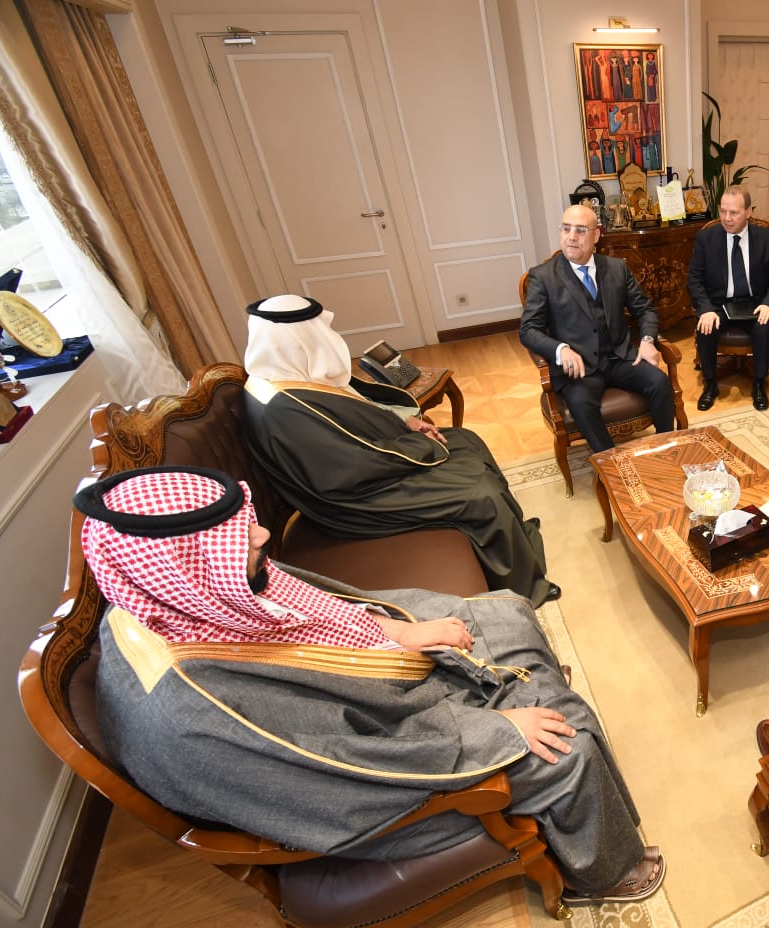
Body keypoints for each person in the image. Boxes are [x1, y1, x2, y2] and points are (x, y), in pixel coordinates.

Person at [75, 466, 665, 906]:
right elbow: (339, 771)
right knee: (569, 745)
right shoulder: (192, 718)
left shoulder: (176, 595)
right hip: (378, 776)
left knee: (505, 611)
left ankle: (528, 688)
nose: (259, 535)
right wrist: (497, 730)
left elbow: (311, 608)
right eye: (235, 537)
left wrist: (399, 632)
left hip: (361, 691)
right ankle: (602, 874)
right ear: (183, 566)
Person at [240, 295, 557, 605]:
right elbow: (349, 466)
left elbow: (352, 409)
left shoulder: (288, 374)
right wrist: (421, 446)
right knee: (481, 494)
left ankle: (516, 538)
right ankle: (524, 589)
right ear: (297, 339)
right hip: (355, 497)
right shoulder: (281, 408)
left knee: (466, 440)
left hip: (366, 467)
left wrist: (406, 423)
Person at [520, 204, 675, 453]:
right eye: (566, 229)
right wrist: (560, 349)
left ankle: (666, 449)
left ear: (596, 235)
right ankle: (611, 463)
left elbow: (645, 309)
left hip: (619, 358)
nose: (571, 237)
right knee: (580, 405)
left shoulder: (616, 268)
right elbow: (528, 330)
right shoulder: (543, 277)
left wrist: (647, 340)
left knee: (659, 382)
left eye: (581, 230)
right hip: (578, 368)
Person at [687, 186, 769, 411]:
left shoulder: (766, 238)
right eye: (723, 211)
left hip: (755, 304)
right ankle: (710, 383)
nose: (727, 218)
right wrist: (705, 309)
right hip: (719, 305)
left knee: (763, 326)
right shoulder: (706, 237)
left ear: (748, 212)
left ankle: (759, 383)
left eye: (734, 213)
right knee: (706, 327)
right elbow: (694, 278)